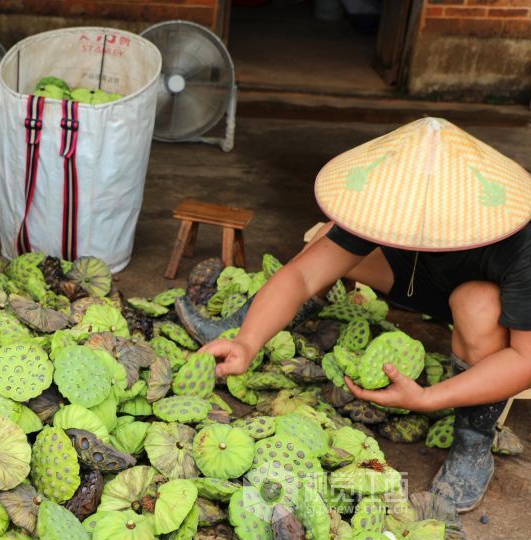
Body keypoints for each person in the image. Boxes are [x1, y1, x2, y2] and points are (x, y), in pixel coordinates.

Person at [177, 118, 531, 512]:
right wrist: (248, 341)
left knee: (477, 303)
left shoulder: (522, 239)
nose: (415, 220)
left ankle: (474, 438)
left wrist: (428, 398)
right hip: (408, 279)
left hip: (480, 305)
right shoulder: (386, 202)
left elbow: (525, 359)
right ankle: (244, 325)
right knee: (325, 238)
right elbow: (300, 276)